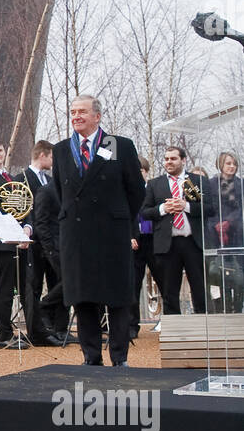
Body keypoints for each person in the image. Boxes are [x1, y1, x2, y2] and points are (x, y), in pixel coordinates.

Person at [51, 95, 145, 367]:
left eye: (82, 112)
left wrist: (120, 218)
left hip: (112, 233)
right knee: (83, 298)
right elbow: (61, 191)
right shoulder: (61, 150)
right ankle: (91, 358)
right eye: (72, 112)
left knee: (117, 296)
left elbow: (136, 190)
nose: (76, 116)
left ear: (97, 116)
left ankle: (119, 357)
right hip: (77, 235)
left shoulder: (118, 145)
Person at [0, 138, 39, 347]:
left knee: (26, 289)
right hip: (3, 243)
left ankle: (35, 331)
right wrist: (16, 233)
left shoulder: (11, 178)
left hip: (21, 240)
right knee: (4, 291)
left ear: (5, 151)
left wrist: (27, 229)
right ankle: (4, 335)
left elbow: (26, 207)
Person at [141, 146, 206, 315]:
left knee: (199, 289)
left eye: (173, 158)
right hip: (167, 245)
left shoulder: (196, 181)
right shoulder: (156, 184)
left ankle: (202, 329)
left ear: (183, 160)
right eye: (166, 159)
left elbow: (210, 208)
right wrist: (163, 208)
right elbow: (145, 211)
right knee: (169, 292)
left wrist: (187, 206)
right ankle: (175, 331)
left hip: (193, 242)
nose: (169, 162)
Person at [17, 140, 67, 345]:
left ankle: (57, 329)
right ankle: (37, 331)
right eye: (52, 157)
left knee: (58, 282)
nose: (54, 162)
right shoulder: (22, 179)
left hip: (54, 243)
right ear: (43, 155)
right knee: (34, 287)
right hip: (34, 244)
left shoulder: (48, 180)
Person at [204, 151, 244, 313]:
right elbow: (208, 207)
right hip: (215, 234)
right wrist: (216, 224)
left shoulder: (240, 184)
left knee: (239, 274)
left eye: (234, 164)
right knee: (219, 274)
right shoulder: (211, 184)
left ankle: (238, 306)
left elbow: (240, 208)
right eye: (228, 163)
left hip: (236, 234)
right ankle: (224, 308)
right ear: (221, 164)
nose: (232, 167)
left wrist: (229, 222)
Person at [130, 157, 163, 338]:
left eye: (141, 170)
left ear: (146, 171)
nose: (138, 173)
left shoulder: (154, 189)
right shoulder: (128, 192)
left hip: (153, 240)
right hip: (136, 242)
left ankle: (169, 320)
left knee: (163, 280)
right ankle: (132, 326)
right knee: (133, 284)